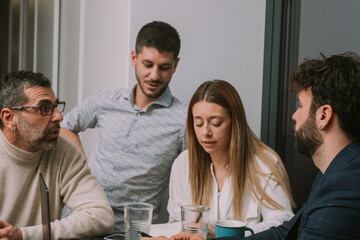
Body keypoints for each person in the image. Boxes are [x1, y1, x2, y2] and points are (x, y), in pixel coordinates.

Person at [144, 52, 360, 240]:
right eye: (198, 123)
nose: (294, 116)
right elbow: (286, 232)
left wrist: (218, 234)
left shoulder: (344, 184)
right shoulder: (330, 175)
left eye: (300, 106)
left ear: (323, 115)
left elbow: (282, 224)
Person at [60, 20, 187, 232]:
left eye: (164, 67)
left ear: (176, 65)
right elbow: (65, 126)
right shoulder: (106, 100)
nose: (154, 75)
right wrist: (82, 169)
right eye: (148, 64)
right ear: (133, 58)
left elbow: (195, 173)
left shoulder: (183, 120)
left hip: (129, 232)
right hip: (78, 221)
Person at [0, 71, 114, 240]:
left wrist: (23, 235)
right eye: (44, 108)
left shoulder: (65, 152)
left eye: (56, 106)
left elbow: (101, 216)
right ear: (9, 118)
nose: (59, 117)